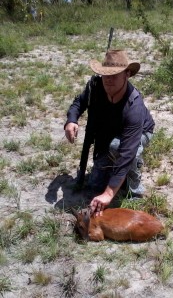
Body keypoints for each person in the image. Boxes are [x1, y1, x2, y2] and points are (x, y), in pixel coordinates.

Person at [64, 50, 155, 216]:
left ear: (127, 74)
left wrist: (109, 194)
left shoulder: (134, 106)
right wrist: (71, 120)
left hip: (140, 133)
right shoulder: (95, 87)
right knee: (94, 185)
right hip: (110, 134)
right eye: (105, 75)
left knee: (118, 148)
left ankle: (135, 187)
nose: (108, 80)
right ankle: (114, 171)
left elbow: (127, 151)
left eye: (114, 75)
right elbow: (79, 102)